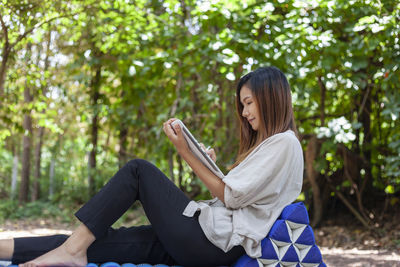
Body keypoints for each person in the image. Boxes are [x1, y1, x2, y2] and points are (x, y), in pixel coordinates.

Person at [0, 66, 303, 267]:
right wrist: (210, 165)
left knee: (138, 170)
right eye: (243, 105)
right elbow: (241, 197)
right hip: (206, 239)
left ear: (270, 96)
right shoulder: (270, 146)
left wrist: (188, 153)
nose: (245, 112)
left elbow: (232, 198)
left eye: (249, 102)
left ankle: (71, 250)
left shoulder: (284, 143)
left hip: (210, 243)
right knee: (99, 240)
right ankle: (13, 249)